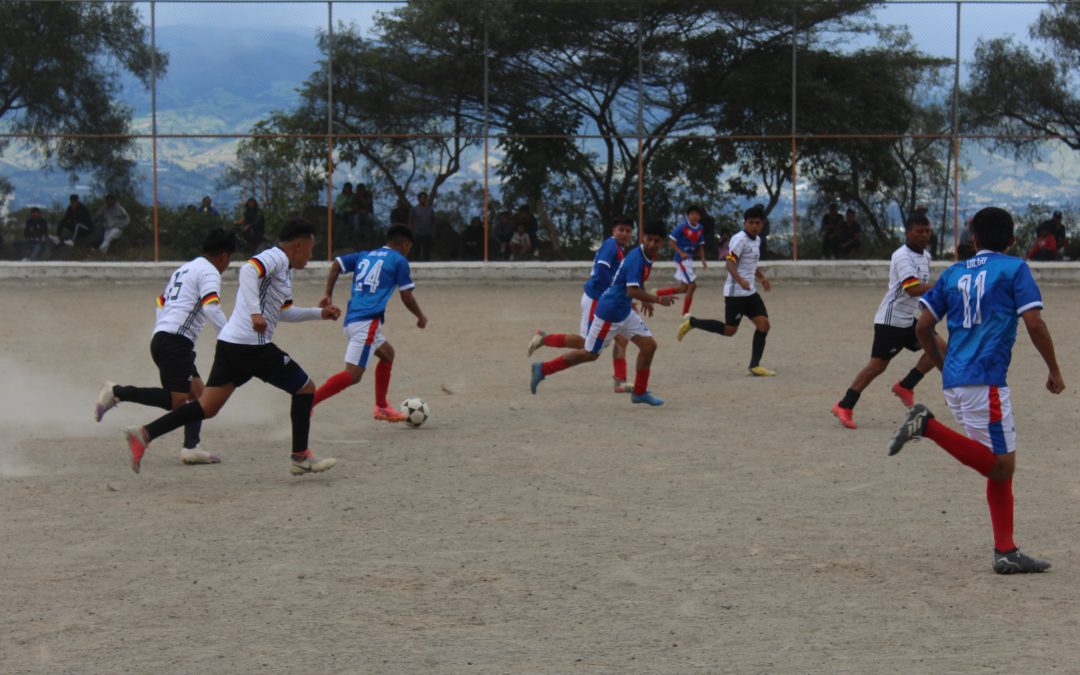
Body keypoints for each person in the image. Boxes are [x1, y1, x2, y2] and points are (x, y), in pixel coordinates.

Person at [888, 206, 1065, 574]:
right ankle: (927, 425)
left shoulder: (952, 273)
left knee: (997, 463)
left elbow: (923, 328)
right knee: (1001, 467)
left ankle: (1005, 550)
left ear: (974, 239)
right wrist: (1054, 369)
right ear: (1013, 240)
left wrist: (943, 366)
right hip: (986, 381)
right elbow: (1035, 323)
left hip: (956, 379)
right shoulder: (1014, 268)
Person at [122, 218, 342, 476]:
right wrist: (254, 313)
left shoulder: (284, 271)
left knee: (207, 407)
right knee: (306, 389)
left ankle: (145, 434)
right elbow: (248, 270)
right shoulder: (277, 258)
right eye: (310, 249)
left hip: (231, 345)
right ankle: (300, 456)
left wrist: (320, 314)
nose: (310, 255)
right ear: (297, 245)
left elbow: (285, 312)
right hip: (252, 346)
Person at [95, 229, 236, 464]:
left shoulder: (184, 269)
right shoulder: (210, 272)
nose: (227, 265)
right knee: (176, 401)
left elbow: (160, 303)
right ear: (223, 256)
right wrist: (231, 337)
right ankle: (117, 392)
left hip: (165, 338)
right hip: (175, 342)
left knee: (199, 395)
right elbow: (211, 308)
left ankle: (191, 447)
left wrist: (163, 330)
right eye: (229, 260)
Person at [530, 220, 677, 406]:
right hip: (610, 312)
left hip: (623, 311)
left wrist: (646, 298)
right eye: (649, 240)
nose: (652, 244)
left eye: (656, 241)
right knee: (590, 353)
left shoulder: (647, 255)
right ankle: (543, 369)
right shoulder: (633, 256)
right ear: (643, 238)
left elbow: (636, 279)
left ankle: (639, 392)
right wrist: (655, 299)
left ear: (661, 243)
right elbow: (631, 290)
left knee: (649, 346)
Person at [831, 214, 947, 429]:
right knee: (877, 366)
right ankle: (844, 405)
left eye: (927, 231)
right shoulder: (902, 256)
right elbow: (912, 288)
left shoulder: (926, 256)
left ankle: (906, 386)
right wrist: (944, 287)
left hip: (909, 320)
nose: (924, 235)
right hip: (890, 321)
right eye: (919, 231)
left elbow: (922, 292)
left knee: (939, 349)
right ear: (907, 232)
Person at [311, 224, 427, 421]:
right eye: (409, 248)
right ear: (405, 245)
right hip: (367, 322)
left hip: (353, 319)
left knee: (388, 354)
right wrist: (420, 317)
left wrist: (327, 295)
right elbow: (406, 296)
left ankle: (382, 406)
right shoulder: (399, 260)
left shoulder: (366, 255)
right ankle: (309, 401)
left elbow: (336, 265)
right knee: (353, 375)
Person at [527, 216, 638, 393]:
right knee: (587, 347)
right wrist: (614, 294)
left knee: (621, 339)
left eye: (628, 231)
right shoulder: (611, 245)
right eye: (621, 230)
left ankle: (620, 380)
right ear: (613, 231)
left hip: (607, 301)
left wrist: (625, 299)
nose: (624, 233)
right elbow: (602, 269)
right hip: (596, 300)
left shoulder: (618, 249)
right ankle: (544, 347)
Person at [677, 205, 775, 377]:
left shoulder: (757, 240)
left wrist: (761, 277)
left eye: (757, 223)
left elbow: (750, 263)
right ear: (745, 223)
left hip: (750, 293)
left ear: (762, 224)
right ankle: (692, 323)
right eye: (750, 222)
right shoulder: (739, 240)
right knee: (730, 331)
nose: (754, 226)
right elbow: (729, 263)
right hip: (735, 294)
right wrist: (740, 280)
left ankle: (754, 365)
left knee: (764, 325)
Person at [656, 205, 708, 316]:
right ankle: (685, 313)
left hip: (688, 260)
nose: (694, 216)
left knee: (683, 288)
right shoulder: (682, 227)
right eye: (692, 214)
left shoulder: (700, 228)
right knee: (692, 285)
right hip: (681, 260)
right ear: (688, 215)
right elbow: (671, 241)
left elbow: (700, 245)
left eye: (696, 214)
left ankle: (658, 293)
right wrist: (681, 252)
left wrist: (703, 259)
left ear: (699, 216)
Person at [408, 191, 436, 261]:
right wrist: (411, 232)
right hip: (417, 233)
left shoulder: (430, 209)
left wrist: (433, 233)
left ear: (426, 199)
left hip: (428, 233)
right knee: (416, 251)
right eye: (421, 198)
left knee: (427, 252)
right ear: (418, 199)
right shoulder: (415, 209)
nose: (423, 199)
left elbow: (433, 222)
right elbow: (410, 221)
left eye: (424, 198)